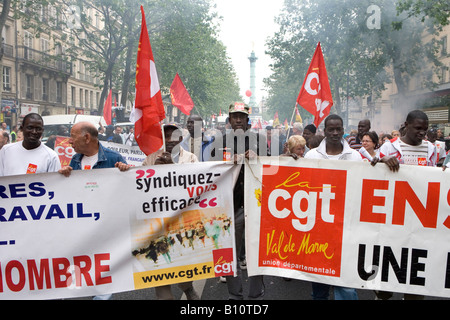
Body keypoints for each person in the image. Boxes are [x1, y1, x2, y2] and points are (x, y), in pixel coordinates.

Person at [58, 121, 130, 300]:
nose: (69, 141)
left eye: (73, 136)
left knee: (105, 270)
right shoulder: (75, 160)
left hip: (106, 226)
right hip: (83, 226)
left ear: (87, 137)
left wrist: (126, 172)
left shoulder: (114, 159)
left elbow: (128, 190)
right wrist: (63, 176)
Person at [372, 110, 436, 300]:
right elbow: (373, 173)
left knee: (415, 280)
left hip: (419, 222)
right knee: (385, 281)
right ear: (406, 125)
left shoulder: (432, 149)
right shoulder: (389, 148)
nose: (422, 133)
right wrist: (381, 160)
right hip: (393, 219)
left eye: (425, 129)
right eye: (417, 128)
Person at [304, 114, 361, 300]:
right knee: (319, 283)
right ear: (325, 131)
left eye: (338, 129)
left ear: (343, 130)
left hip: (346, 228)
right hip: (318, 227)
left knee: (345, 285)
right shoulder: (312, 156)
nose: (335, 133)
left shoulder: (355, 156)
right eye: (331, 129)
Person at [141, 123, 200, 300]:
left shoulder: (190, 158)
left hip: (181, 222)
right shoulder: (151, 159)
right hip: (156, 222)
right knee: (160, 266)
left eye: (173, 136)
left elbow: (196, 185)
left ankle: (188, 288)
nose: (168, 140)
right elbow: (138, 186)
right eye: (165, 136)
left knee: (181, 264)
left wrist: (172, 167)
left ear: (181, 139)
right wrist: (154, 169)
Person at [221, 102, 266, 300]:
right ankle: (234, 294)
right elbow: (210, 169)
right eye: (234, 116)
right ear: (229, 120)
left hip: (256, 205)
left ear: (248, 120)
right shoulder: (220, 142)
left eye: (242, 117)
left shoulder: (260, 141)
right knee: (230, 251)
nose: (238, 120)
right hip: (231, 205)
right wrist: (226, 162)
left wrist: (259, 159)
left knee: (257, 251)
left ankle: (256, 295)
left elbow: (273, 168)